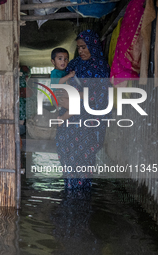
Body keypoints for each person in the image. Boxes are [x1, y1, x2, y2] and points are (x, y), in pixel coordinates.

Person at [55, 30, 112, 189]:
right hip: (69, 120)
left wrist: (80, 94)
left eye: (84, 47)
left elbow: (103, 95)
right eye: (79, 47)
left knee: (83, 160)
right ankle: (69, 192)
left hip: (88, 121)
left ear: (93, 46)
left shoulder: (100, 67)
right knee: (67, 157)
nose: (80, 51)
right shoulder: (74, 64)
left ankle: (81, 196)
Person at [50, 47, 76, 121]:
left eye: (66, 59)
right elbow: (57, 83)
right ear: (53, 61)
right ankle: (61, 119)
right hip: (59, 96)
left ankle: (61, 117)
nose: (63, 61)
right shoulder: (55, 73)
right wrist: (69, 76)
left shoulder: (64, 72)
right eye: (60, 59)